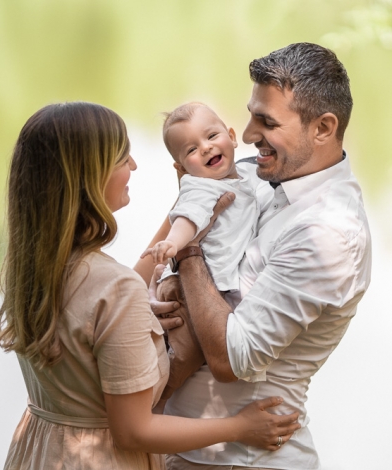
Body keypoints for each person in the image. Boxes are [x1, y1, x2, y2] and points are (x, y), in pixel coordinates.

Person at [0, 102, 301, 470]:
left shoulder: (39, 271)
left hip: (40, 450)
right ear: (89, 175)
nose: (134, 166)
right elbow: (134, 431)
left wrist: (194, 200)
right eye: (122, 158)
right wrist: (239, 427)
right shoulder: (113, 288)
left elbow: (122, 291)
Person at [153, 43, 373, 469]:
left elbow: (231, 359)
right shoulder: (254, 168)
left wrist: (191, 253)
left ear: (323, 128)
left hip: (247, 459)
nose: (248, 135)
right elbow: (160, 246)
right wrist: (151, 297)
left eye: (267, 122)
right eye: (252, 114)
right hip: (179, 450)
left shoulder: (328, 233)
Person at [141, 102, 266, 405]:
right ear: (182, 169)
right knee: (183, 357)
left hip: (209, 285)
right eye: (192, 149)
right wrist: (174, 243)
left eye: (212, 136)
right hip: (188, 291)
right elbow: (188, 219)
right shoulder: (201, 189)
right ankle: (148, 407)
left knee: (184, 354)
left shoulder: (249, 178)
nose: (207, 148)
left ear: (232, 136)